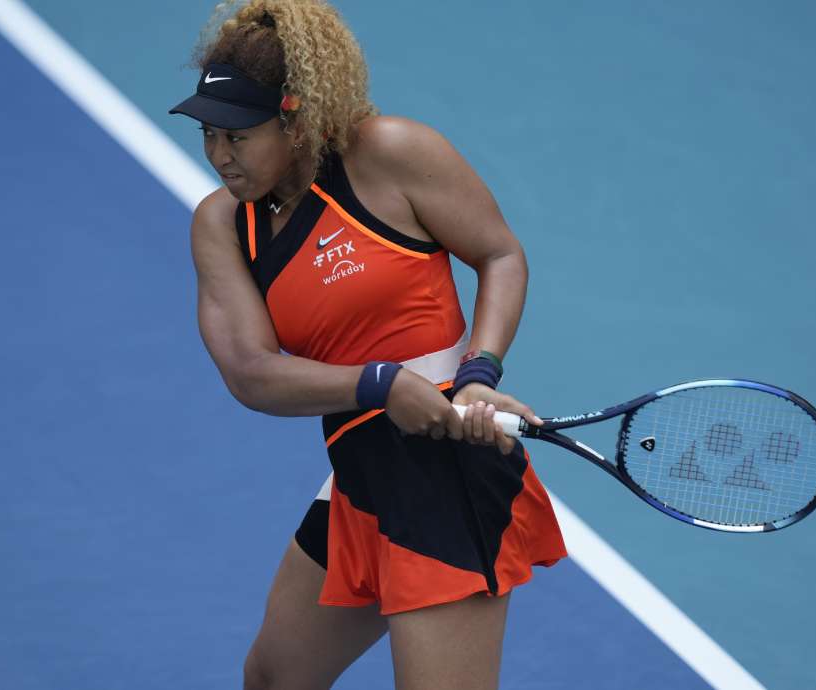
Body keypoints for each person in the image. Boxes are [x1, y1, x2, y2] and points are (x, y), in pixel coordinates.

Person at [170, 2, 567, 688]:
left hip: (446, 483)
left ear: (296, 118)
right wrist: (378, 385)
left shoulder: (390, 155)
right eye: (209, 133)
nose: (219, 155)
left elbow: (500, 253)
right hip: (362, 477)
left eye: (239, 135)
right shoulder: (224, 225)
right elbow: (251, 373)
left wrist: (477, 371)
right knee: (274, 678)